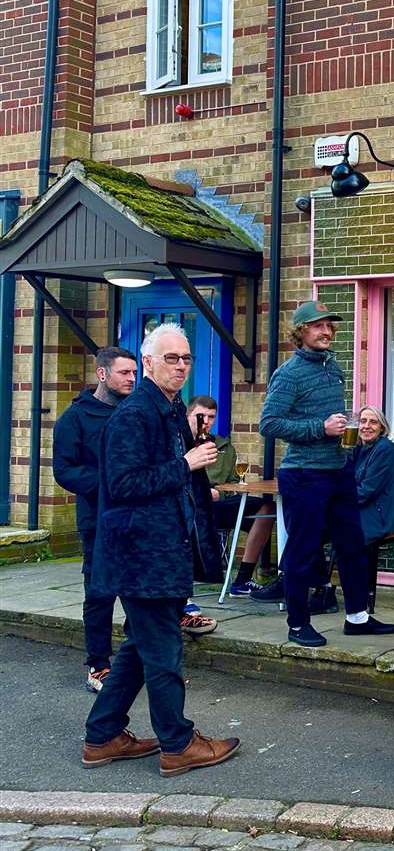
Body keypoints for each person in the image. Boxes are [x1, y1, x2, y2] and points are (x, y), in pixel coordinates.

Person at [81, 323, 240, 776]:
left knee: (139, 647)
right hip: (140, 555)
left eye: (186, 358)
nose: (181, 366)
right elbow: (124, 484)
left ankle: (103, 735)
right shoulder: (134, 415)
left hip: (162, 553)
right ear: (148, 362)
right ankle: (178, 744)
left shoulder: (169, 412)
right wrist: (184, 464)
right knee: (165, 652)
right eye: (171, 358)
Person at [258, 300, 394, 647]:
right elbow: (269, 423)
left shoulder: (332, 367)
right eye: (319, 325)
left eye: (330, 326)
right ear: (301, 331)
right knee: (303, 551)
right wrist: (320, 427)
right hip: (304, 474)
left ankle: (357, 618)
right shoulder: (288, 374)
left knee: (353, 547)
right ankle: (297, 623)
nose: (327, 331)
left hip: (339, 469)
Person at [53, 346, 137, 692]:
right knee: (100, 592)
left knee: (139, 587)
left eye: (135, 373)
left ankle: (138, 657)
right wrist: (108, 485)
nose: (132, 379)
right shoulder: (74, 419)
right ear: (102, 374)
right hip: (98, 518)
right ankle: (99, 665)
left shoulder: (135, 412)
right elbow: (65, 471)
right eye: (124, 373)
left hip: (139, 516)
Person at [183, 395, 277, 600]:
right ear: (188, 415)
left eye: (211, 417)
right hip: (187, 507)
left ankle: (242, 580)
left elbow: (235, 482)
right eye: (200, 416)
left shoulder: (224, 447)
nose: (205, 421)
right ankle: (183, 591)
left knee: (267, 508)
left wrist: (221, 492)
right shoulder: (179, 443)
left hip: (218, 505)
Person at [354, 405, 394, 609]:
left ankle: (353, 592)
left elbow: (366, 490)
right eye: (363, 421)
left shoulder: (384, 449)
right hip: (364, 508)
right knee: (310, 526)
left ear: (382, 428)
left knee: (335, 527)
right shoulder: (359, 449)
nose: (366, 426)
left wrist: (338, 502)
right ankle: (321, 585)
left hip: (380, 513)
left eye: (373, 422)